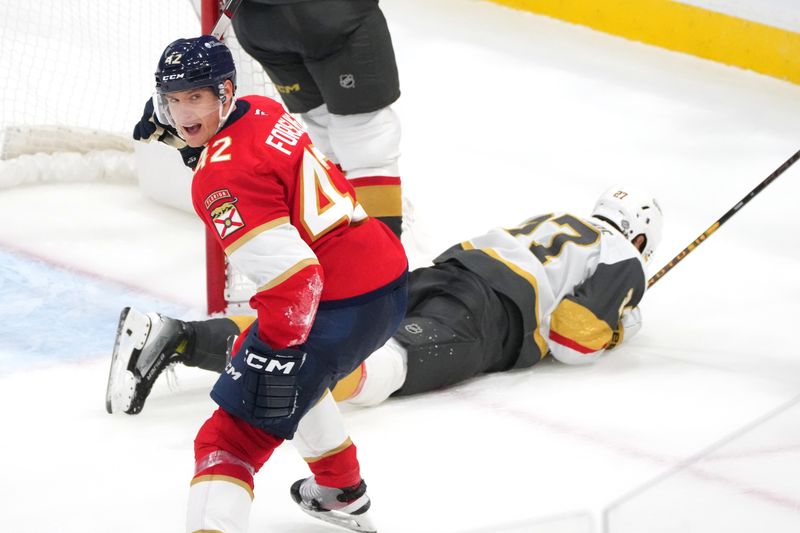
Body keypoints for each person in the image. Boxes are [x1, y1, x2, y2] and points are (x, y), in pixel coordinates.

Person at [113, 35, 408, 533]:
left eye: (196, 97)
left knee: (227, 441)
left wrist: (274, 356)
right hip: (387, 279)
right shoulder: (261, 108)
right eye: (173, 98)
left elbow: (297, 284)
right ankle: (341, 490)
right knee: (300, 380)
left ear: (225, 91)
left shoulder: (218, 181)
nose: (182, 111)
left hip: (336, 304)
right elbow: (255, 162)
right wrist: (192, 139)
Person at [108, 184, 662, 415]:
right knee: (380, 369)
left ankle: (180, 333)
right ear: (639, 237)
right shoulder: (626, 257)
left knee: (320, 325)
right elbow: (571, 338)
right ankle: (224, 362)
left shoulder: (567, 218)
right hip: (488, 313)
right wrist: (621, 324)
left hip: (446, 271)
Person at [231, 0, 404, 237]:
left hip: (257, 25)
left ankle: (342, 249)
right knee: (366, 139)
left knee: (322, 128)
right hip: (329, 15)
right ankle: (384, 261)